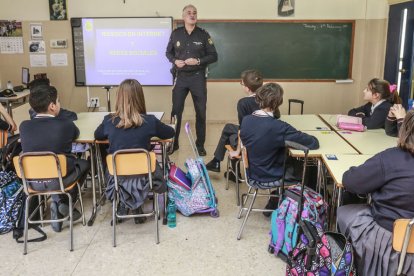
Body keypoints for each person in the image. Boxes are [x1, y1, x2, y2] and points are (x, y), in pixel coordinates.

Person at [337, 110, 414, 276]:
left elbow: (351, 182)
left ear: (406, 130)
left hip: (390, 241)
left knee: (343, 212)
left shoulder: (392, 158)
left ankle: (352, 266)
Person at [94, 79, 175, 224]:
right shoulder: (150, 121)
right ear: (140, 98)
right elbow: (169, 133)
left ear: (118, 98)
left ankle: (124, 204)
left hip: (117, 177)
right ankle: (135, 204)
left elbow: (97, 135)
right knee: (152, 167)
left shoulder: (109, 121)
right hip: (145, 177)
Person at [19, 85, 90, 232]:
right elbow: (76, 135)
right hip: (60, 180)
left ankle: (59, 203)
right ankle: (63, 202)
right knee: (84, 164)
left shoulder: (24, 126)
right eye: (58, 101)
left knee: (57, 170)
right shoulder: (65, 125)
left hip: (32, 183)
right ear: (52, 106)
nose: (59, 104)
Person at [205, 69, 281, 180]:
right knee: (229, 128)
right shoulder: (269, 98)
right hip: (267, 136)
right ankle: (225, 167)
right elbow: (276, 116)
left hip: (251, 141)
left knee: (230, 135)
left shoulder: (243, 103)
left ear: (247, 88)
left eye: (242, 83)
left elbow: (243, 130)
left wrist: (238, 151)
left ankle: (219, 162)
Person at [240, 83, 319, 188]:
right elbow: (312, 143)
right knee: (310, 166)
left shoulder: (246, 120)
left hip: (253, 173)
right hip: (270, 176)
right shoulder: (278, 127)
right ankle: (305, 200)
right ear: (278, 103)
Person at [166, 4, 218, 156]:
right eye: (189, 13)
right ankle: (173, 144)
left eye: (194, 13)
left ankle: (200, 145)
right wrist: (175, 61)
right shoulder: (176, 34)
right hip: (180, 78)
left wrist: (199, 61)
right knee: (176, 112)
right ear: (183, 16)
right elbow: (168, 53)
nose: (192, 15)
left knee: (200, 112)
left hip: (197, 78)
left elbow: (214, 56)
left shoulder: (203, 34)